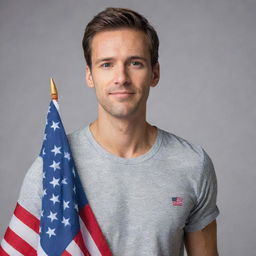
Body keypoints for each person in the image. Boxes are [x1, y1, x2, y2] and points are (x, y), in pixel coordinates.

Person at [2, 7, 220, 256]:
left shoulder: (192, 164)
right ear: (90, 76)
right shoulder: (53, 166)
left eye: (135, 63)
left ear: (155, 73)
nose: (121, 77)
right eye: (106, 64)